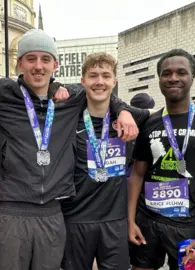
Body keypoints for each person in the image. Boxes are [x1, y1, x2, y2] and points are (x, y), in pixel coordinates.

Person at [0, 29, 138, 270]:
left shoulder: (71, 98)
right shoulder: (0, 94)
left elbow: (101, 90)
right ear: (19, 62)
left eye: (45, 59)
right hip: (10, 213)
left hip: (52, 214)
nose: (38, 66)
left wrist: (123, 109)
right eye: (31, 59)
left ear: (55, 64)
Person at [128, 49, 195, 270]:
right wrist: (130, 220)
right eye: (167, 73)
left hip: (190, 223)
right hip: (147, 220)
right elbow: (137, 174)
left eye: (181, 72)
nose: (173, 78)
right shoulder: (150, 122)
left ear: (193, 76)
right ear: (160, 79)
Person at [60, 53, 150, 270]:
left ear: (114, 82)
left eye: (106, 76)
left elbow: (170, 115)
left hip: (114, 222)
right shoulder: (68, 116)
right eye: (93, 76)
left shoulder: (132, 117)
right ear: (83, 82)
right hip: (75, 220)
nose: (99, 81)